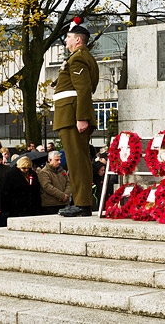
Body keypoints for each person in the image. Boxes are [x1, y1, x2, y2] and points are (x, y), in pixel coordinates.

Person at [52, 20, 99, 217]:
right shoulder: (79, 58)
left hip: (72, 117)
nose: (65, 41)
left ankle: (82, 203)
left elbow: (83, 90)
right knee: (77, 161)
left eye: (68, 37)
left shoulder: (78, 59)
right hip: (70, 116)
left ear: (78, 40)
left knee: (77, 162)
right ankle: (81, 202)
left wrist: (82, 118)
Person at [38, 151, 72, 215]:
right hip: (51, 204)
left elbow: (69, 183)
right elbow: (47, 186)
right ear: (50, 160)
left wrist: (66, 194)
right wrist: (62, 196)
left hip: (64, 203)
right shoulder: (44, 172)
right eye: (57, 160)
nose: (59, 162)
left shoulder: (62, 171)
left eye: (59, 160)